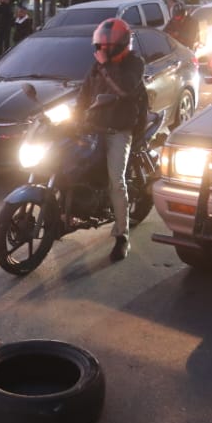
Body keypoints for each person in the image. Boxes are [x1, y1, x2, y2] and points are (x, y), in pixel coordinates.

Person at [75, 17, 146, 262]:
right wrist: (74, 118)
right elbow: (84, 94)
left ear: (121, 45)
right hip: (94, 128)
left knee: (116, 181)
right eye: (101, 46)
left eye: (108, 46)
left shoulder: (134, 64)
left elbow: (124, 89)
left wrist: (105, 66)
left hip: (119, 130)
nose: (103, 50)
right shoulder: (97, 67)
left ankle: (122, 235)